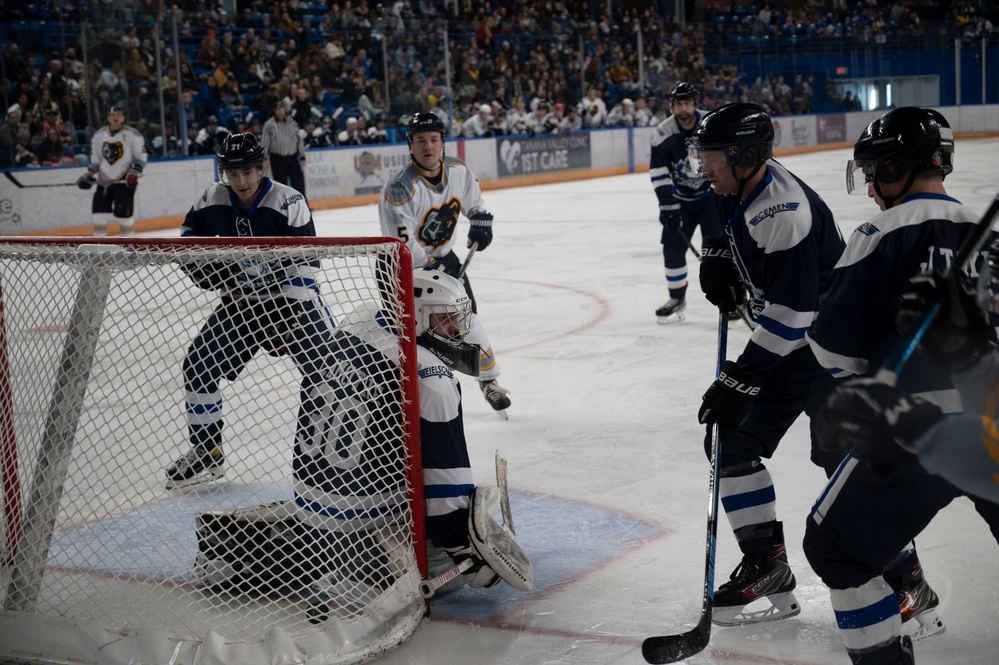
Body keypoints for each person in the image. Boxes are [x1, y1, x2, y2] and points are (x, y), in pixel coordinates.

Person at [804, 107, 999, 664]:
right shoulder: (989, 237)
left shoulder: (878, 232)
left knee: (837, 549)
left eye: (873, 174)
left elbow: (831, 348)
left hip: (914, 430)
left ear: (897, 167)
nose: (869, 188)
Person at [690, 102, 846, 626]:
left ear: (746, 155)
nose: (704, 167)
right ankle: (767, 566)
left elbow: (796, 309)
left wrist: (743, 373)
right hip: (789, 352)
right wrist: (721, 254)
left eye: (712, 157)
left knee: (847, 466)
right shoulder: (745, 188)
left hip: (830, 356)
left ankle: (904, 579)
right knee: (731, 441)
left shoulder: (781, 211)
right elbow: (749, 245)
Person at [165, 132, 322, 490]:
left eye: (247, 173)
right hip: (241, 305)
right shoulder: (213, 197)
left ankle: (323, 455)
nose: (240, 182)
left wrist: (289, 311)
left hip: (292, 305)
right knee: (199, 365)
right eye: (232, 174)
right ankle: (208, 452)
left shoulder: (288, 201)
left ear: (261, 168)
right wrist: (205, 266)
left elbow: (307, 264)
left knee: (326, 372)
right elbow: (189, 232)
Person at [378, 112, 512, 416]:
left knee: (466, 318)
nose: (428, 146)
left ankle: (488, 380)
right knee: (405, 334)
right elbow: (403, 247)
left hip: (441, 260)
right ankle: (401, 396)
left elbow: (475, 206)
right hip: (401, 267)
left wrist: (480, 224)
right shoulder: (399, 189)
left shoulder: (459, 171)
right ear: (410, 145)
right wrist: (439, 268)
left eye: (434, 140)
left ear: (442, 143)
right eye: (421, 140)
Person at [648, 82, 730, 324]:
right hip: (680, 201)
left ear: (695, 104)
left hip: (711, 198)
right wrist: (666, 202)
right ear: (672, 106)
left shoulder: (710, 124)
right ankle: (677, 298)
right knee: (672, 249)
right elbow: (659, 170)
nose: (682, 109)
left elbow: (726, 158)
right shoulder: (663, 132)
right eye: (678, 104)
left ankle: (731, 299)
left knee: (721, 249)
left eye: (686, 103)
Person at [76, 105, 147, 237]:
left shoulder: (133, 135)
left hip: (124, 182)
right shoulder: (99, 136)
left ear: (123, 118)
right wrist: (88, 175)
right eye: (113, 115)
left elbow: (141, 158)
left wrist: (133, 174)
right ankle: (99, 249)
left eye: (119, 115)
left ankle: (128, 249)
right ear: (108, 117)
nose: (116, 117)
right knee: (99, 217)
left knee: (124, 218)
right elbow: (96, 161)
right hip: (103, 182)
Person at [261, 101, 307, 196]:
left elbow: (299, 140)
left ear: (285, 111)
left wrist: (302, 155)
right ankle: (284, 208)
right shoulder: (268, 125)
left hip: (292, 158)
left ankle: (303, 207)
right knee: (281, 186)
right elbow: (264, 143)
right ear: (275, 111)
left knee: (299, 184)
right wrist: (264, 157)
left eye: (282, 110)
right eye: (278, 110)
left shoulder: (292, 123)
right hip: (277, 159)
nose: (280, 113)